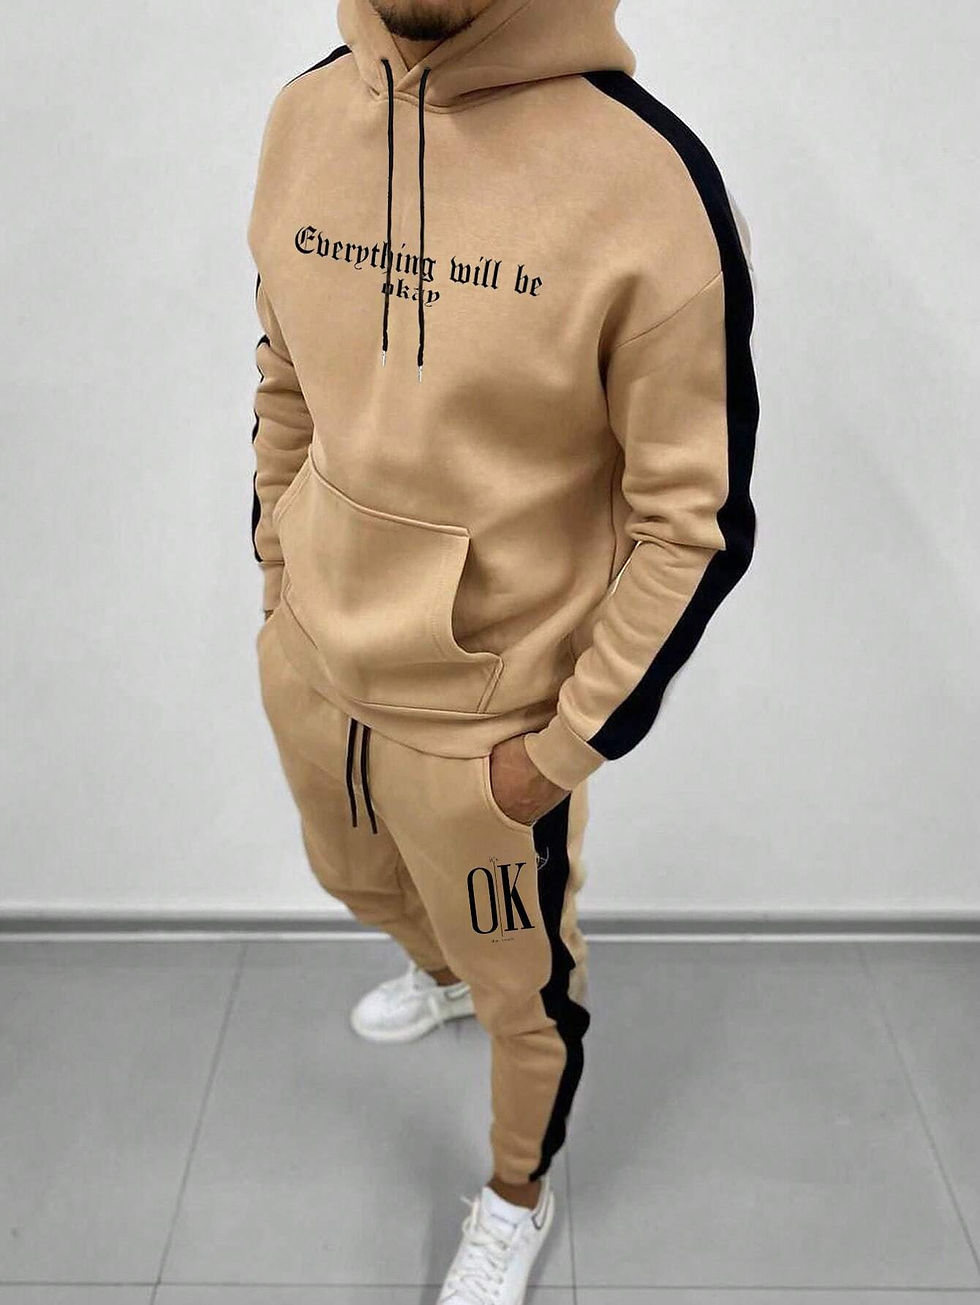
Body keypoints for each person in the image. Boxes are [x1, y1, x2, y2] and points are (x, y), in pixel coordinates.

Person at [247, 0, 758, 1299]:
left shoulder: (647, 182)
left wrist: (558, 751)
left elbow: (690, 522)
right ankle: (440, 974)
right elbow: (285, 375)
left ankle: (516, 1196)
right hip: (315, 666)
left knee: (531, 999)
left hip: (492, 729)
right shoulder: (305, 116)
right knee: (352, 878)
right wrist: (277, 576)